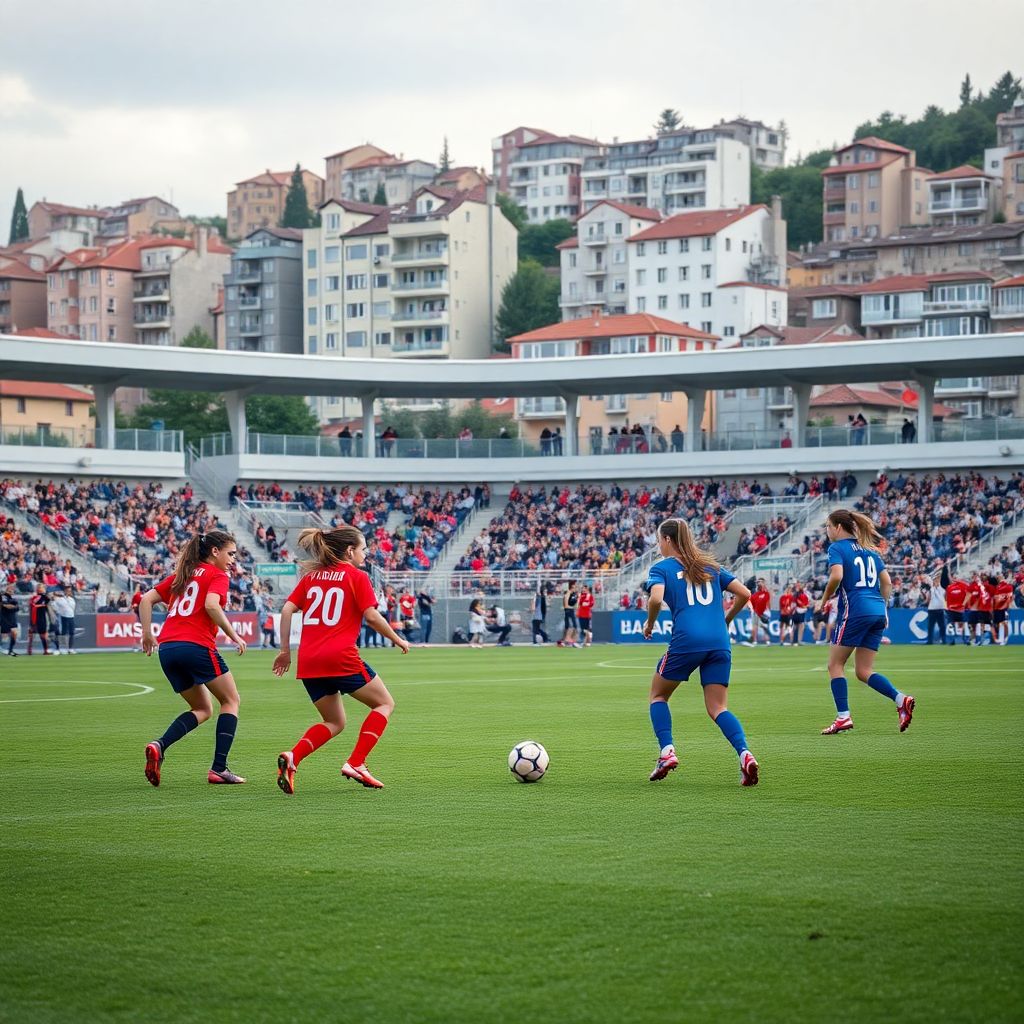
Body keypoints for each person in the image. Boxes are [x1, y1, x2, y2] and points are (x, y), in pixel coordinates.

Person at [273, 526, 409, 795]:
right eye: (364, 549)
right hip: (341, 656)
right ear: (349, 551)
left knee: (334, 722)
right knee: (384, 703)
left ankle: (293, 757)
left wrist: (285, 650)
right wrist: (397, 638)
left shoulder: (311, 577)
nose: (366, 555)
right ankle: (357, 762)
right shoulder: (356, 576)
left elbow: (287, 609)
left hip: (309, 660)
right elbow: (371, 616)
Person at [642, 518, 759, 787]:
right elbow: (744, 593)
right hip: (719, 642)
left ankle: (667, 752)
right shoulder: (711, 566)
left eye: (659, 540)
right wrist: (725, 621)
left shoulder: (662, 568)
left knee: (658, 695)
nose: (659, 545)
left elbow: (656, 598)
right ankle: (744, 753)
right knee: (718, 707)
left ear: (668, 540)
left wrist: (650, 624)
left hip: (687, 641)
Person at [139, 530, 248, 786]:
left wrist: (147, 634)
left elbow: (146, 599)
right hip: (196, 646)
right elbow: (212, 605)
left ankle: (160, 745)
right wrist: (233, 635)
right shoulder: (218, 575)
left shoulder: (183, 575)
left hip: (167, 649)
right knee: (231, 700)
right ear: (214, 551)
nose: (233, 559)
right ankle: (219, 768)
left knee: (202, 708)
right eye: (230, 553)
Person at [816, 509, 915, 736]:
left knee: (835, 665)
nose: (827, 531)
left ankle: (843, 717)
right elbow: (887, 582)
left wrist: (824, 600)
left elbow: (837, 576)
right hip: (877, 611)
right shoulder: (871, 552)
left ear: (838, 527)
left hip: (856, 610)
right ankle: (901, 699)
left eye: (828, 526)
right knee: (863, 670)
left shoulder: (837, 548)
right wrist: (884, 606)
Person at [941, 563, 969, 645]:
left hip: (960, 609)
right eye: (954, 577)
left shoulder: (963, 585)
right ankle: (952, 641)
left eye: (956, 576)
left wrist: (964, 604)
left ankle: (966, 640)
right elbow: (945, 596)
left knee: (964, 624)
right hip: (952, 609)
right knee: (950, 625)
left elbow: (969, 593)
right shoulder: (950, 587)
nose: (955, 578)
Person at [744, 578, 771, 646]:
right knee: (754, 627)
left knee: (764, 627)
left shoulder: (766, 593)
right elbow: (750, 604)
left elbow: (768, 597)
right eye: (758, 583)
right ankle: (754, 640)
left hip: (764, 613)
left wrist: (763, 583)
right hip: (756, 613)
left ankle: (767, 641)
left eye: (760, 582)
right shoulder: (755, 595)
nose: (758, 584)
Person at [27, 584, 52, 656]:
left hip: (42, 618)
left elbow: (49, 600)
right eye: (39, 587)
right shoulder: (34, 597)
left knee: (43, 635)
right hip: (34, 618)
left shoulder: (45, 597)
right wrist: (41, 605)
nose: (40, 589)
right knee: (31, 634)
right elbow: (32, 605)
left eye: (42, 588)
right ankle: (29, 650)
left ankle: (45, 650)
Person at [52, 586, 77, 655]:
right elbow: (54, 607)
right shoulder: (59, 599)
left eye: (70, 591)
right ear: (64, 591)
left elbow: (73, 608)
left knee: (71, 633)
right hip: (63, 617)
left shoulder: (72, 599)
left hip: (71, 617)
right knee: (63, 633)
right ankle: (60, 648)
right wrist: (59, 612)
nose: (69, 592)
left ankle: (70, 648)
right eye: (67, 590)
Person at [991, 573, 1014, 646]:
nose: (999, 578)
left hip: (1003, 608)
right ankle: (1000, 639)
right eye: (998, 577)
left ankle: (1006, 638)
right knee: (998, 624)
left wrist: (1009, 605)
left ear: (1003, 577)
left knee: (1004, 623)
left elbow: (1010, 597)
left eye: (1000, 576)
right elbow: (995, 598)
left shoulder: (1007, 586)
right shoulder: (997, 587)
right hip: (996, 608)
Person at [924, 572, 947, 645]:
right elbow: (929, 599)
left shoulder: (943, 589)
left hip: (940, 609)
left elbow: (945, 597)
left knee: (942, 626)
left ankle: (944, 640)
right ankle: (930, 641)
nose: (936, 581)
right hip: (932, 609)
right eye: (935, 580)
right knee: (930, 627)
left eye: (938, 580)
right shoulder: (931, 589)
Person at [559, 581, 579, 648]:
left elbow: (576, 604)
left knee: (573, 627)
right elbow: (566, 605)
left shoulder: (575, 594)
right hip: (568, 611)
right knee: (569, 627)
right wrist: (573, 607)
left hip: (572, 611)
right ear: (571, 587)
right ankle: (566, 641)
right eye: (574, 587)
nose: (576, 588)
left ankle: (570, 641)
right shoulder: (568, 593)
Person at [1, 586, 19, 656]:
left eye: (12, 590)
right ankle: (2, 648)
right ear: (7, 590)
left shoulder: (13, 599)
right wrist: (12, 606)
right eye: (10, 590)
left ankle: (10, 650)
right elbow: (6, 605)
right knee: (4, 636)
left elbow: (17, 608)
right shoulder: (4, 597)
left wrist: (12, 606)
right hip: (5, 618)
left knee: (14, 634)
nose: (11, 591)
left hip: (12, 618)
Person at [577, 583, 594, 647]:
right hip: (581, 614)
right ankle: (585, 641)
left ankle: (587, 641)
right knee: (583, 629)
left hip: (587, 615)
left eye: (584, 589)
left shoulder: (590, 596)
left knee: (587, 628)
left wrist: (586, 603)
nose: (583, 590)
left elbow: (591, 604)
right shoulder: (581, 596)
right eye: (582, 589)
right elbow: (580, 603)